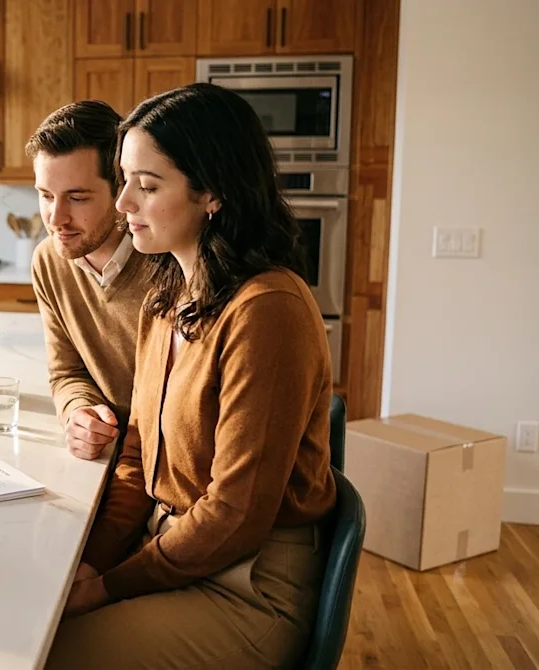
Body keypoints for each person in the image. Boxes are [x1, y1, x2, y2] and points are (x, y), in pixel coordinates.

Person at [46, 84, 338, 669]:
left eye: (147, 186)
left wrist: (106, 587)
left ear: (212, 193)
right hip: (170, 549)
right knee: (31, 616)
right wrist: (93, 562)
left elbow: (234, 515)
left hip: (247, 586)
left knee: (48, 655)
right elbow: (135, 455)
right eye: (124, 179)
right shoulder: (169, 295)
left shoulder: (268, 309)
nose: (123, 202)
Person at [27, 100, 147, 461]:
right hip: (113, 456)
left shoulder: (167, 261)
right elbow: (67, 371)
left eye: (77, 198)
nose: (56, 218)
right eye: (45, 196)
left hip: (160, 464)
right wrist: (80, 412)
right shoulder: (49, 260)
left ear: (120, 190)